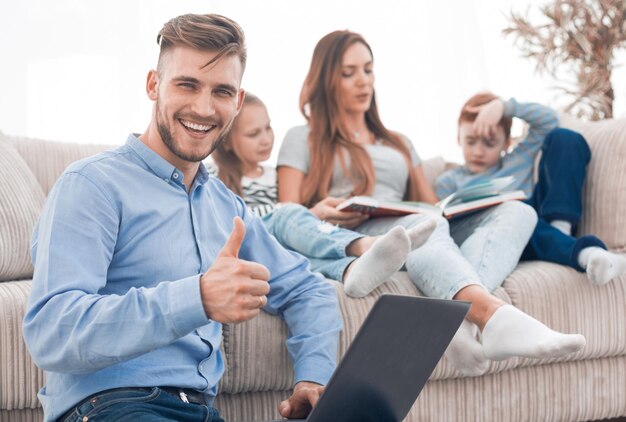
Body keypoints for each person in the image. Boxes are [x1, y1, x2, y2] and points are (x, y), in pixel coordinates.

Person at [22, 14, 343, 422]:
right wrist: (199, 297)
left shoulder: (226, 208)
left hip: (203, 412)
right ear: (153, 85)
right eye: (187, 84)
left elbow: (306, 289)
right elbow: (52, 332)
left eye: (222, 92)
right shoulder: (91, 185)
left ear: (238, 102)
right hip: (111, 407)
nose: (204, 108)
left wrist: (313, 378)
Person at [277, 29, 586, 376]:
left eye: (368, 69)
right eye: (348, 73)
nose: (363, 81)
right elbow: (287, 213)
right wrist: (317, 211)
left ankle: (458, 322)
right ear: (326, 80)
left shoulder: (398, 142)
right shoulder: (302, 138)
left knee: (518, 211)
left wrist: (465, 203)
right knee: (423, 226)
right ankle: (491, 314)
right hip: (357, 229)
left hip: (412, 223)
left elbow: (430, 205)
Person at [209, 92, 436, 297]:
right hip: (246, 242)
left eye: (268, 128)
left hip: (275, 251)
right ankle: (365, 245)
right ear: (227, 141)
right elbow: (230, 220)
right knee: (286, 212)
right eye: (253, 134)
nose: (266, 139)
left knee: (301, 259)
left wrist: (320, 213)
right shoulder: (213, 176)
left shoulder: (275, 176)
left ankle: (351, 270)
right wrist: (304, 213)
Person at [436, 92, 626, 286]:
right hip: (507, 232)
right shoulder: (448, 181)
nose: (478, 151)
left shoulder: (518, 159)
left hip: (542, 215)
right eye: (470, 141)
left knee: (565, 138)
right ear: (458, 138)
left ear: (507, 142)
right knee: (519, 216)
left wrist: (504, 107)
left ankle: (560, 231)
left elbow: (550, 120)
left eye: (490, 143)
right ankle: (587, 253)